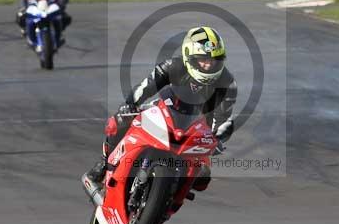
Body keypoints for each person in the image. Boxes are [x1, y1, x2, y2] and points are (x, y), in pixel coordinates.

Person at [81, 27, 236, 199]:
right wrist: (131, 104)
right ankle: (102, 166)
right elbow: (146, 86)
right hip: (166, 111)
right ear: (189, 56)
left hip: (197, 130)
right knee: (120, 120)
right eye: (203, 60)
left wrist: (217, 139)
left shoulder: (227, 83)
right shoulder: (174, 66)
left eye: (214, 60)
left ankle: (170, 195)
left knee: (203, 177)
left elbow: (223, 119)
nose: (209, 65)